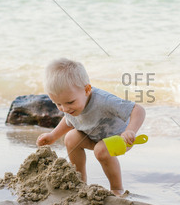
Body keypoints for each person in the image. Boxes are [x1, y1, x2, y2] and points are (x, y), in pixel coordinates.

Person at [36, 58, 146, 196]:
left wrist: (130, 131)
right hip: (94, 136)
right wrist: (53, 135)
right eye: (58, 104)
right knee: (70, 138)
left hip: (121, 139)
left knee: (101, 149)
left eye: (69, 102)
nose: (64, 108)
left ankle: (117, 188)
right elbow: (69, 120)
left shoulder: (104, 100)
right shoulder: (70, 106)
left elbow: (138, 110)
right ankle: (80, 181)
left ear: (87, 89)